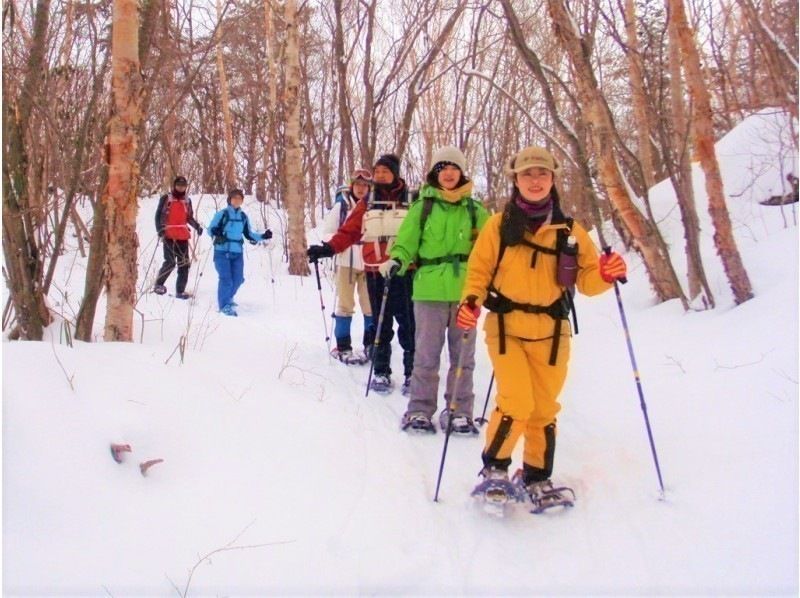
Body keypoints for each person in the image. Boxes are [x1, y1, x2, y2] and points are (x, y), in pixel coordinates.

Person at [457, 146, 627, 506]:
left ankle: (536, 477)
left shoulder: (570, 229)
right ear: (515, 180)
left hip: (552, 332)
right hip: (506, 328)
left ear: (552, 179)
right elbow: (478, 271)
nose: (535, 181)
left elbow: (588, 280)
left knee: (544, 407)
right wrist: (470, 302)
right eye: (527, 174)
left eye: (542, 174)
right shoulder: (498, 225)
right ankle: (496, 470)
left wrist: (607, 275)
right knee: (517, 400)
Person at [381, 146, 490, 433]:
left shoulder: (475, 210)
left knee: (463, 357)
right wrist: (397, 260)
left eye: (454, 167)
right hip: (428, 290)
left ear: (462, 172)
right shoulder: (422, 207)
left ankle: (459, 411)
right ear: (435, 173)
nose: (449, 173)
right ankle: (419, 410)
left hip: (466, 291)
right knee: (426, 355)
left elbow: (491, 249)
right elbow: (407, 242)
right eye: (442, 168)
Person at [307, 154, 415, 394]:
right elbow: (350, 230)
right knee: (379, 324)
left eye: (385, 171)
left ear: (395, 173)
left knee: (409, 325)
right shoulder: (368, 202)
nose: (380, 175)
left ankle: (412, 374)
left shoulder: (412, 200)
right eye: (377, 171)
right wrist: (328, 248)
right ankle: (382, 371)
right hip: (375, 271)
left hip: (405, 272)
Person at [321, 169, 375, 364]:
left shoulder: (374, 206)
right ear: (352, 186)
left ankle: (371, 344)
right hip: (346, 262)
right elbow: (328, 232)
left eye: (365, 186)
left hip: (370, 263)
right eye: (358, 185)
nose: (361, 189)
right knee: (345, 304)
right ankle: (343, 346)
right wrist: (337, 245)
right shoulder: (341, 207)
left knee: (370, 305)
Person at [207, 188, 272, 316]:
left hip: (237, 252)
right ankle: (224, 305)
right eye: (234, 198)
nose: (237, 200)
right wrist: (216, 232)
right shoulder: (222, 214)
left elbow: (249, 234)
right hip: (222, 251)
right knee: (226, 279)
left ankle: (228, 297)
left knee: (238, 279)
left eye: (239, 198)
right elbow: (210, 230)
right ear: (229, 200)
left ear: (242, 200)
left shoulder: (243, 217)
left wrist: (263, 236)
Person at [153, 176, 203, 299]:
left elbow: (189, 217)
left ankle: (180, 291)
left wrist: (197, 226)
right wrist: (160, 230)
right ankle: (158, 285)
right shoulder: (166, 198)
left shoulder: (187, 200)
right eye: (178, 185)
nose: (181, 187)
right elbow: (158, 215)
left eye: (183, 185)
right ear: (174, 186)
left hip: (182, 236)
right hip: (168, 235)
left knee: (184, 264)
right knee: (170, 262)